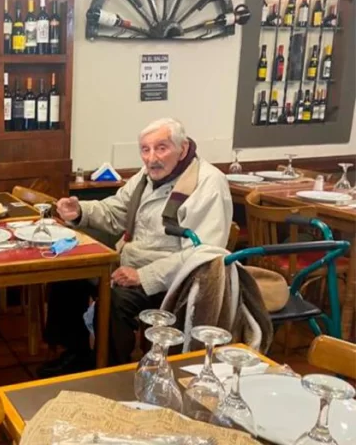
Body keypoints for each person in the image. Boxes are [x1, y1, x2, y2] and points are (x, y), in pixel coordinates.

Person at [38, 118, 233, 378]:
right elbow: (116, 210)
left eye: (161, 148)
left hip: (172, 282)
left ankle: (110, 372)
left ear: (183, 148)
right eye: (145, 149)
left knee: (117, 301)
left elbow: (203, 255)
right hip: (128, 263)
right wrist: (81, 210)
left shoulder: (208, 184)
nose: (152, 158)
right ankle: (76, 355)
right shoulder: (147, 176)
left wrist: (143, 276)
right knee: (68, 275)